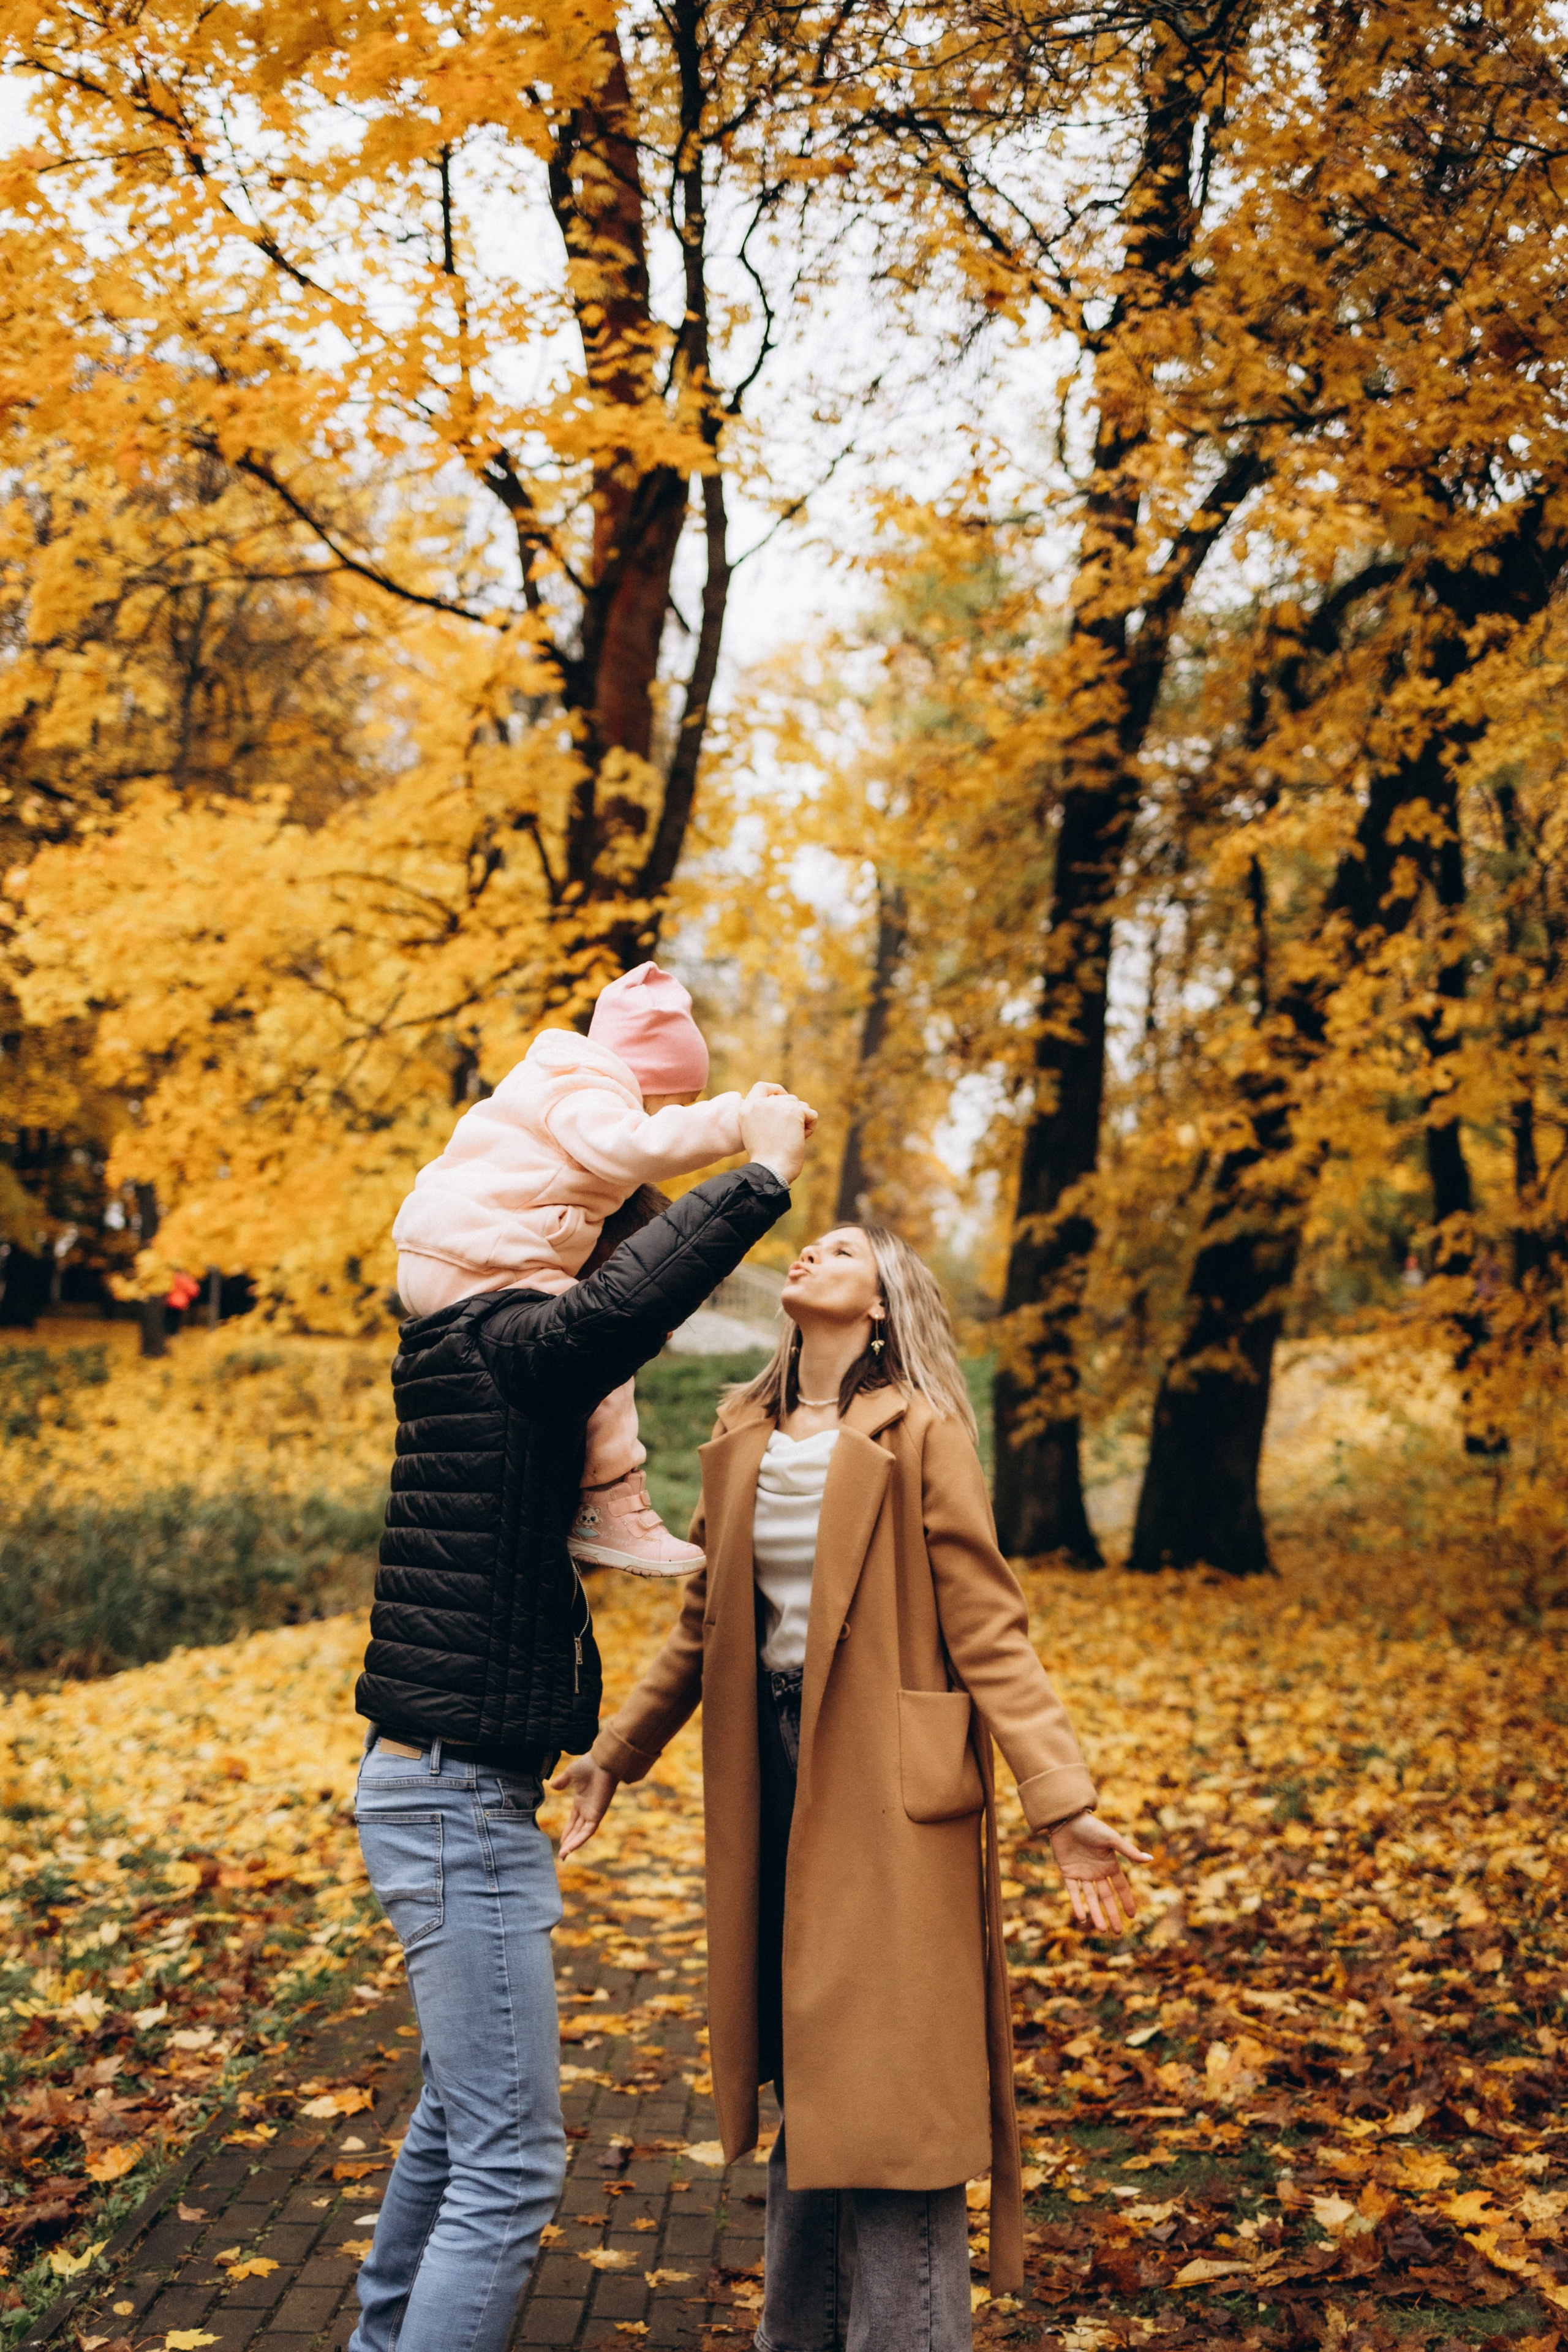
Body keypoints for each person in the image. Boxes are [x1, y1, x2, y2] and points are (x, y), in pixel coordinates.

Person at [556, 1221, 1152, 2352]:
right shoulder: (742, 1429)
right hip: (766, 1772)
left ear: (880, 1306)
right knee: (816, 2072)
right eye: (806, 1247)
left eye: (840, 1249)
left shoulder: (920, 1432)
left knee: (892, 2087)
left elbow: (990, 1628)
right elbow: (704, 1622)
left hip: (887, 1779)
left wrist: (1061, 1804)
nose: (808, 1255)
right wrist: (615, 1754)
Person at [347, 1091, 813, 2352]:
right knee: (510, 2166)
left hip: (449, 1788)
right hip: (451, 1802)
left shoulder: (475, 1350)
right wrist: (759, 1171)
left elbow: (610, 1317)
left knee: (458, 2121)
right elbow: (621, 1308)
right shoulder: (509, 1342)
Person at [393, 959, 794, 1575]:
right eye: (678, 1102)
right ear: (645, 1076)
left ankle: (602, 1495)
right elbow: (640, 1145)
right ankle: (611, 1501)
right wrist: (738, 1123)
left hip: (448, 1256)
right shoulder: (585, 1095)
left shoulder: (543, 1095)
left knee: (587, 1343)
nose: (673, 1117)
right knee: (600, 1352)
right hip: (482, 1255)